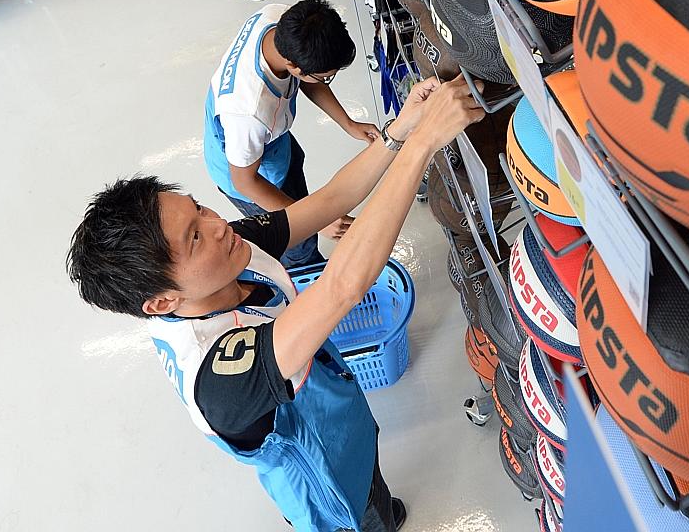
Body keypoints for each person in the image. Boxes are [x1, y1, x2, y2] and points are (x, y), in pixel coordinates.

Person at [67, 76, 482, 532]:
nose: (219, 225)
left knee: (373, 487)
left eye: (200, 209)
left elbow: (329, 201)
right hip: (327, 483)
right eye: (194, 238)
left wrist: (399, 132)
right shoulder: (220, 380)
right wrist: (423, 144)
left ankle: (384, 508)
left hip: (338, 417)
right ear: (163, 301)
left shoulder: (225, 253)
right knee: (363, 514)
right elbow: (341, 286)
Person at [207, 0, 380, 269]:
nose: (325, 81)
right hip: (249, 175)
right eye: (326, 76)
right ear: (295, 67)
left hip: (274, 146)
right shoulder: (249, 111)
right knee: (297, 242)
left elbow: (309, 78)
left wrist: (349, 124)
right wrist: (316, 219)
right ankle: (306, 278)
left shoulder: (279, 20)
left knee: (301, 196)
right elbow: (245, 182)